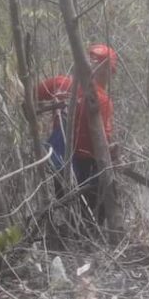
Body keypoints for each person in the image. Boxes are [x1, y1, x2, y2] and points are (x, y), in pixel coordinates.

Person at [34, 44, 118, 223]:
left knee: (69, 214)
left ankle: (68, 235)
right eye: (110, 71)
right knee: (91, 220)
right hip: (86, 169)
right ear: (106, 70)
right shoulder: (103, 100)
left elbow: (32, 95)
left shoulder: (61, 83)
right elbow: (103, 143)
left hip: (59, 165)